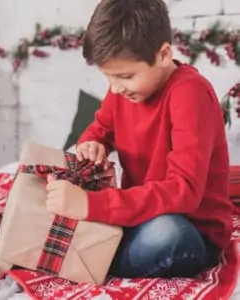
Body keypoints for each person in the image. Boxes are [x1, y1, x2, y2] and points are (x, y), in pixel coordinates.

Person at [44, 0, 234, 278]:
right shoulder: (124, 90)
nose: (115, 88)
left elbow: (183, 191)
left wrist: (91, 205)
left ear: (164, 55)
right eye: (108, 78)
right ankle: (92, 246)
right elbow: (101, 127)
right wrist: (93, 144)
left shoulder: (190, 94)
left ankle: (86, 260)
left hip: (192, 227)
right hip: (141, 213)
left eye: (125, 76)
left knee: (167, 234)